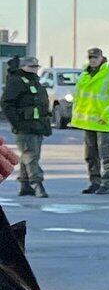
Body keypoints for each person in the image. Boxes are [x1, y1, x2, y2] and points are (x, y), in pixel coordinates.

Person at [73, 48, 109, 194]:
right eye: (90, 57)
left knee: (106, 156)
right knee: (91, 156)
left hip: (104, 123)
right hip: (88, 123)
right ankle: (95, 182)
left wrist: (107, 114)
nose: (93, 60)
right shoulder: (84, 74)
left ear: (102, 58)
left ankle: (107, 184)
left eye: (95, 57)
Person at [2, 56, 51, 198]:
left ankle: (25, 185)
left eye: (36, 67)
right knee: (31, 156)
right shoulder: (17, 81)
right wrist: (17, 123)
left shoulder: (34, 81)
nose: (34, 69)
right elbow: (7, 104)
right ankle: (37, 184)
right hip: (25, 127)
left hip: (37, 126)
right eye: (31, 67)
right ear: (22, 67)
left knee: (28, 156)